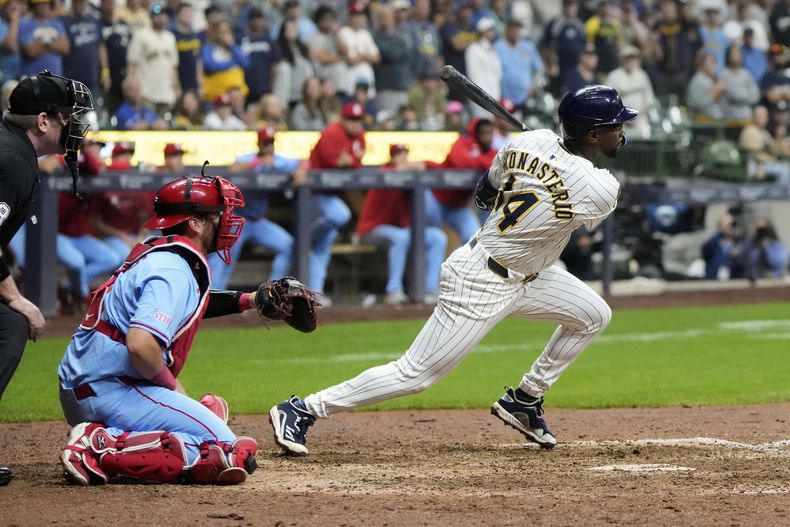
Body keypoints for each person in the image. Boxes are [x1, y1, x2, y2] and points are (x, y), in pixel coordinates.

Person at [269, 85, 637, 455]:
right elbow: (583, 189)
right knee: (415, 374)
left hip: (531, 273)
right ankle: (302, 409)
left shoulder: (529, 141)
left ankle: (525, 399)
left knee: (593, 314)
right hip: (481, 280)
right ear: (591, 134)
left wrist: (537, 157)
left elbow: (486, 190)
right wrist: (551, 163)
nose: (622, 131)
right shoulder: (599, 186)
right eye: (615, 125)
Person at [56, 174, 281, 486]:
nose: (225, 221)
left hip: (94, 384)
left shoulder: (162, 252)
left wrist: (249, 300)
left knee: (210, 416)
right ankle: (99, 447)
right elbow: (139, 344)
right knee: (230, 452)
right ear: (195, 224)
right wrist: (172, 387)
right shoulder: (172, 269)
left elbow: (185, 304)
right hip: (109, 389)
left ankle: (125, 434)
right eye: (217, 215)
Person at [0, 71, 93, 485]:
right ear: (43, 121)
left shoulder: (12, 146)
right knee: (10, 324)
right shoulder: (12, 160)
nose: (76, 125)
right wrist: (15, 296)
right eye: (68, 117)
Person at [208, 126, 300, 289]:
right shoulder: (249, 158)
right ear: (259, 144)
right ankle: (214, 298)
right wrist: (258, 162)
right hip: (236, 218)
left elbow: (302, 163)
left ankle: (273, 291)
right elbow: (232, 170)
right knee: (223, 257)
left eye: (271, 143)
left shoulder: (278, 160)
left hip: (258, 221)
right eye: (265, 143)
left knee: (289, 245)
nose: (268, 148)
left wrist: (299, 171)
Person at [357, 144, 447, 305]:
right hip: (373, 228)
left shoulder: (409, 174)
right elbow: (389, 173)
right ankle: (394, 290)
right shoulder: (384, 173)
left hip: (401, 230)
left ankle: (430, 289)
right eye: (398, 155)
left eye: (405, 154)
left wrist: (421, 165)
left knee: (438, 237)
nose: (402, 158)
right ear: (391, 158)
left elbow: (438, 167)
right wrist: (403, 169)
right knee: (402, 238)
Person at [306, 102, 362, 296]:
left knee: (323, 248)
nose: (355, 124)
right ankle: (307, 238)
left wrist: (351, 160)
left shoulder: (360, 136)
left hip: (332, 196)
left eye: (358, 120)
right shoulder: (331, 132)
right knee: (341, 214)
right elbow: (333, 162)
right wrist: (350, 160)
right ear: (342, 119)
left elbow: (355, 164)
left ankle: (314, 293)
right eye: (351, 120)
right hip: (313, 195)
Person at [426, 117, 497, 245]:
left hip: (458, 207)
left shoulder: (493, 152)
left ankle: (461, 265)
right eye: (484, 133)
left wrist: (475, 159)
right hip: (436, 199)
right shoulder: (463, 142)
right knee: (432, 239)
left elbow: (493, 164)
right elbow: (459, 161)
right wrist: (480, 162)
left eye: (490, 133)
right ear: (476, 134)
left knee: (474, 238)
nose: (487, 137)